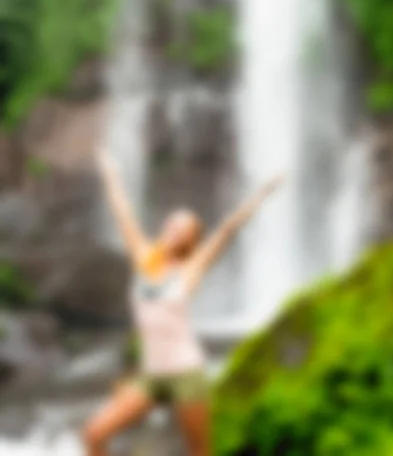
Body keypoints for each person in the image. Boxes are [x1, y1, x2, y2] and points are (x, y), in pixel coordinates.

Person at [83, 149, 284, 456]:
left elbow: (228, 229)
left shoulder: (190, 270)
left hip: (186, 373)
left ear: (189, 239)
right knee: (95, 433)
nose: (174, 230)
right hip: (151, 376)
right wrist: (110, 171)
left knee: (199, 452)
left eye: (183, 228)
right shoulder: (143, 258)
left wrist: (263, 193)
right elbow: (123, 213)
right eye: (172, 223)